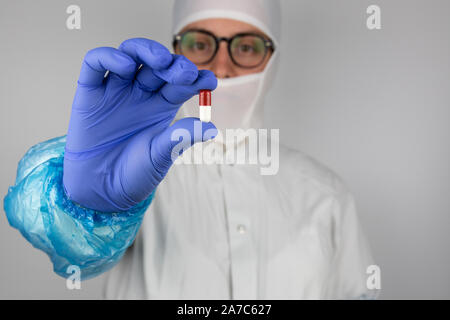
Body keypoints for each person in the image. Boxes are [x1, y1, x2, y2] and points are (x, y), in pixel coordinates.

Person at [4, 0, 377, 299]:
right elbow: (73, 258)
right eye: (200, 44)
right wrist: (88, 204)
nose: (222, 66)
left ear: (272, 57)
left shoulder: (324, 194)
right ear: (175, 51)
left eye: (247, 47)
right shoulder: (139, 180)